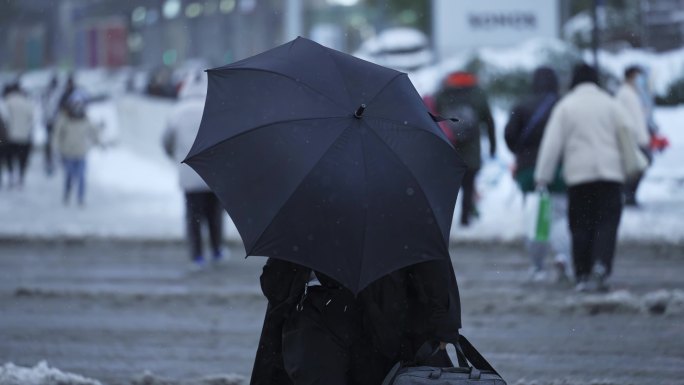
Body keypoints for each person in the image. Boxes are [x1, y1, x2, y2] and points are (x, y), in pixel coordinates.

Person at [250, 257, 461, 385]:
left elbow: (431, 262)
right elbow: (275, 282)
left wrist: (443, 326)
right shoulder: (305, 208)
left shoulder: (308, 206)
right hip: (361, 317)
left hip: (381, 320)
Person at [534, 64, 636, 293]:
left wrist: (543, 176)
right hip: (610, 175)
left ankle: (582, 272)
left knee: (581, 225)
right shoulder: (611, 104)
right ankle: (602, 265)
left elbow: (552, 144)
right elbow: (627, 132)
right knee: (607, 223)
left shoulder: (566, 106)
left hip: (579, 177)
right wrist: (631, 166)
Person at [504, 66, 571, 282]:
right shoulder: (562, 105)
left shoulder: (522, 105)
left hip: (529, 170)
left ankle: (538, 266)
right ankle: (563, 257)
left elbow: (510, 135)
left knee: (536, 218)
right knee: (560, 216)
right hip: (559, 168)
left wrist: (522, 154)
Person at [162, 72, 225, 268]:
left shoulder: (177, 112)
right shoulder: (215, 109)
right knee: (214, 215)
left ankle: (197, 255)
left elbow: (166, 141)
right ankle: (216, 250)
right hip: (213, 174)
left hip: (189, 174)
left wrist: (176, 157)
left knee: (194, 217)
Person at [433, 71, 496, 226]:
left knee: (448, 187)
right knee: (468, 185)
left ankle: (441, 221)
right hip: (471, 150)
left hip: (448, 148)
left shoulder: (443, 94)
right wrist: (493, 145)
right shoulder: (477, 95)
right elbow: (488, 121)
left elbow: (433, 115)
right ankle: (465, 220)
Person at [52, 91, 101, 206]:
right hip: (68, 152)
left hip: (81, 152)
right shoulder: (64, 119)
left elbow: (93, 131)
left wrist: (98, 141)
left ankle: (80, 198)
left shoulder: (85, 118)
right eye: (75, 104)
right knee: (69, 176)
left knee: (82, 177)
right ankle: (67, 193)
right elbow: (57, 134)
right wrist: (55, 146)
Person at [615, 65, 651, 207]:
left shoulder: (633, 93)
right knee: (637, 167)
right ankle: (627, 194)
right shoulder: (625, 94)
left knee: (639, 166)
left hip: (638, 138)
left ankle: (629, 194)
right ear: (630, 76)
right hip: (632, 139)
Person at [3, 81, 36, 188]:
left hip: (10, 136)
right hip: (24, 136)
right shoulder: (27, 102)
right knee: (22, 158)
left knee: (10, 158)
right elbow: (32, 119)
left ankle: (11, 176)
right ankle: (21, 177)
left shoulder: (7, 101)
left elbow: (4, 118)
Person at [42, 74, 62, 176]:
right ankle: (51, 161)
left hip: (52, 121)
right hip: (52, 122)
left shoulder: (53, 94)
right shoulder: (54, 94)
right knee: (52, 142)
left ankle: (52, 161)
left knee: (51, 142)